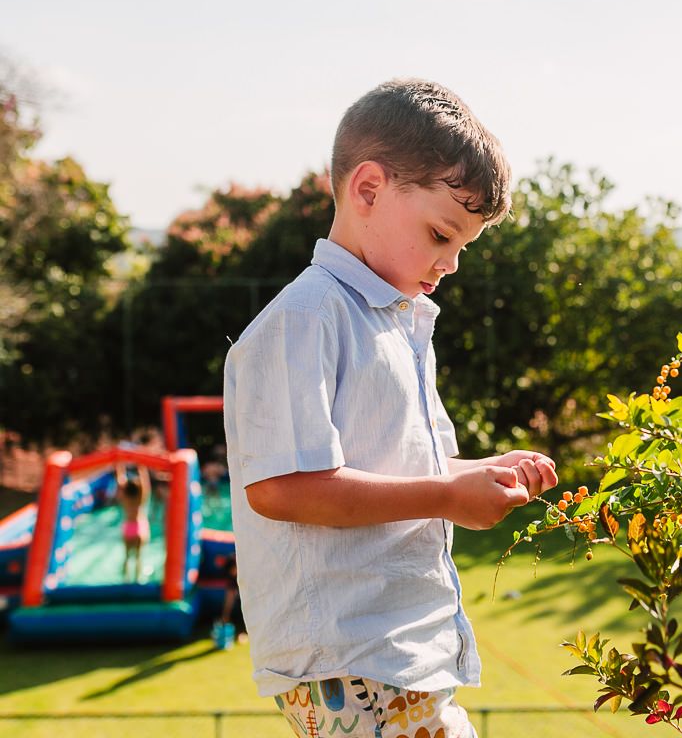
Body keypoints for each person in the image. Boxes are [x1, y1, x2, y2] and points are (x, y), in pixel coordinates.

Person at [223, 78, 558, 738]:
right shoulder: (307, 318)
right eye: (441, 234)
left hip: (397, 653)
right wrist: (445, 495)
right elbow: (282, 487)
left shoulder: (393, 322)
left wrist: (480, 472)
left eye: (462, 246)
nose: (452, 263)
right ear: (368, 189)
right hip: (352, 654)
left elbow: (398, 466)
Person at [116, 465, 150, 582]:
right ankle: (137, 580)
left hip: (127, 528)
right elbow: (146, 486)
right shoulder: (140, 499)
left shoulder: (125, 499)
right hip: (139, 527)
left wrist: (120, 467)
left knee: (126, 557)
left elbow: (120, 482)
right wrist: (142, 468)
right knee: (138, 557)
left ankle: (125, 581)